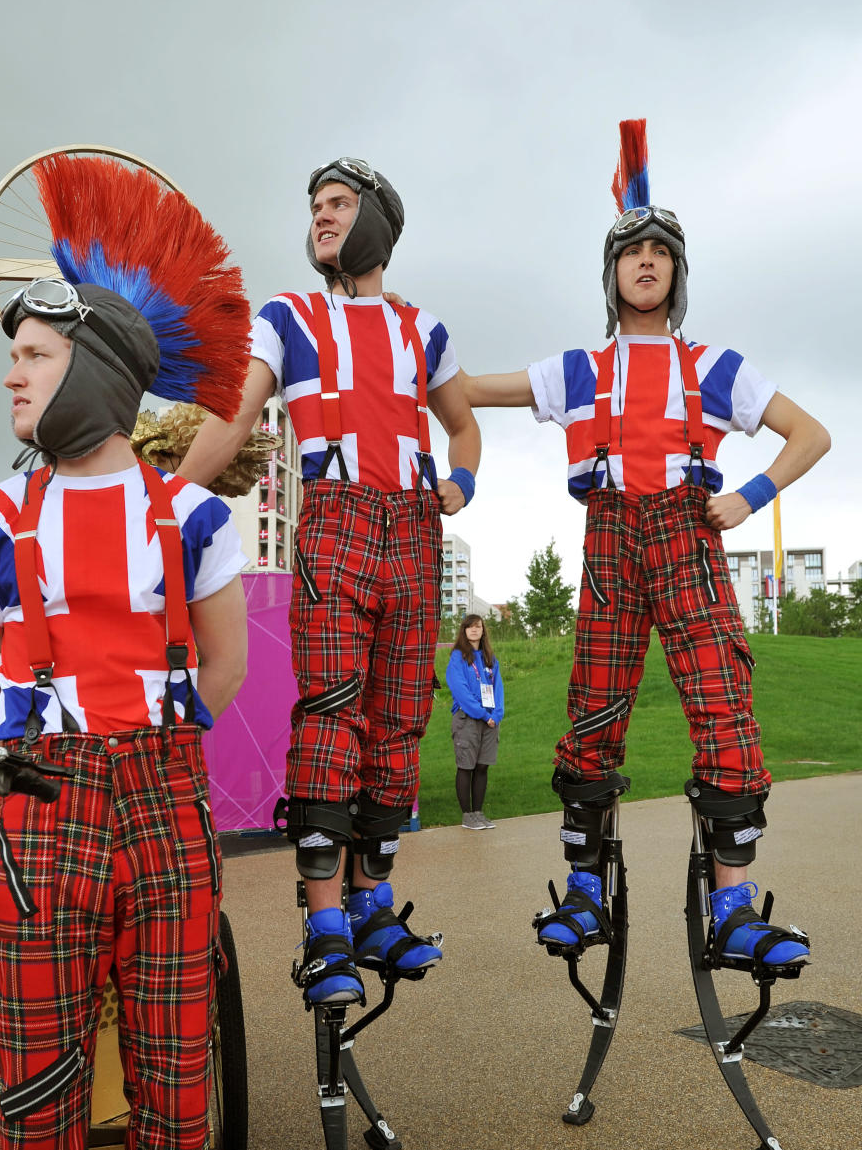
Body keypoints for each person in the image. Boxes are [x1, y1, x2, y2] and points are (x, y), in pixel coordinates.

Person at [0, 154, 251, 1150]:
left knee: (179, 1058)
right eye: (7, 353)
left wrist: (147, 742)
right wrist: (30, 757)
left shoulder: (192, 516)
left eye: (30, 351)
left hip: (164, 809)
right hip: (43, 817)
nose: (12, 372)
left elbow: (225, 669)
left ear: (99, 368)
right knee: (41, 1071)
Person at [459, 120, 829, 966]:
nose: (648, 260)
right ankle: (586, 891)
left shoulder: (714, 365)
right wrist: (409, 360)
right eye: (633, 251)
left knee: (725, 711)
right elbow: (476, 388)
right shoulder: (582, 369)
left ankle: (734, 908)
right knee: (592, 712)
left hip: (689, 538)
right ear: (612, 273)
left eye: (663, 250)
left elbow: (810, 433)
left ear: (679, 272)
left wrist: (749, 495)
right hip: (610, 540)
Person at [181, 156, 481, 1005]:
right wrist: (166, 497)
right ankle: (324, 926)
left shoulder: (426, 328)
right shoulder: (289, 317)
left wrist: (462, 480)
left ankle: (375, 902)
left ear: (379, 219)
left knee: (398, 716)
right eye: (314, 205)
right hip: (340, 515)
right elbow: (236, 413)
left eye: (339, 204)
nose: (320, 215)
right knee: (330, 709)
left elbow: (461, 425)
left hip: (414, 527)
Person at [446, 613, 504, 830]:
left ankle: (478, 813)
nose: (474, 630)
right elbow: (460, 690)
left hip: (490, 720)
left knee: (482, 766)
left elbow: (498, 688)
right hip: (468, 718)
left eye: (477, 627)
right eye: (469, 627)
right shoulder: (458, 657)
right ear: (464, 630)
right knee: (466, 766)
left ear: (482, 630)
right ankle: (467, 815)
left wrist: (496, 714)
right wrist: (482, 714)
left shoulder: (490, 657)